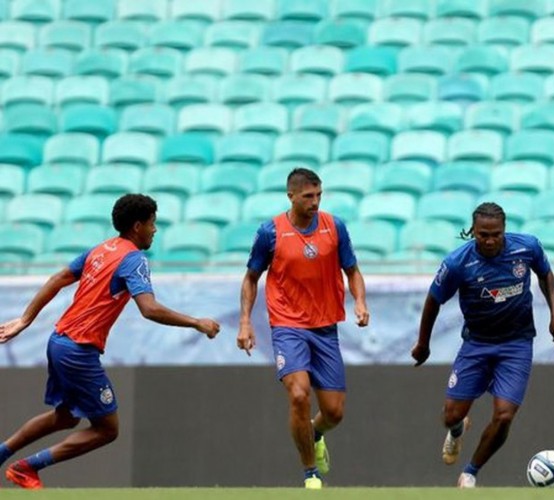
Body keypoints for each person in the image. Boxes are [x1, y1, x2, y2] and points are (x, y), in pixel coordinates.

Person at [0, 194, 220, 489]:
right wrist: (196, 322)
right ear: (137, 225)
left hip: (59, 341)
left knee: (64, 417)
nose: (155, 230)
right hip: (78, 350)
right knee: (106, 429)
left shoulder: (101, 249)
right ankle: (27, 467)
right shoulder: (134, 259)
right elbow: (149, 308)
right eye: (152, 223)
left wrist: (26, 318)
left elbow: (59, 278)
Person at [411, 202, 554, 488]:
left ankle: (470, 473)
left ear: (504, 230)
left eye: (496, 234)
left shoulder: (527, 247)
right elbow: (433, 300)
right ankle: (457, 430)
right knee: (450, 416)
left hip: (517, 344)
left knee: (504, 415)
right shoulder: (458, 263)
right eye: (483, 235)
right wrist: (423, 343)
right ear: (474, 232)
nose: (490, 240)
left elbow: (545, 274)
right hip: (477, 344)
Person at [236, 168, 369, 489]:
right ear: (291, 196)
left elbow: (352, 270)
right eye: (308, 196)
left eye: (319, 195)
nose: (315, 201)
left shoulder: (334, 227)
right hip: (288, 325)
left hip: (325, 327)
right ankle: (310, 473)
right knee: (298, 394)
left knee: (334, 412)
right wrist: (245, 322)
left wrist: (360, 302)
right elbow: (251, 278)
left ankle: (316, 432)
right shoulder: (271, 232)